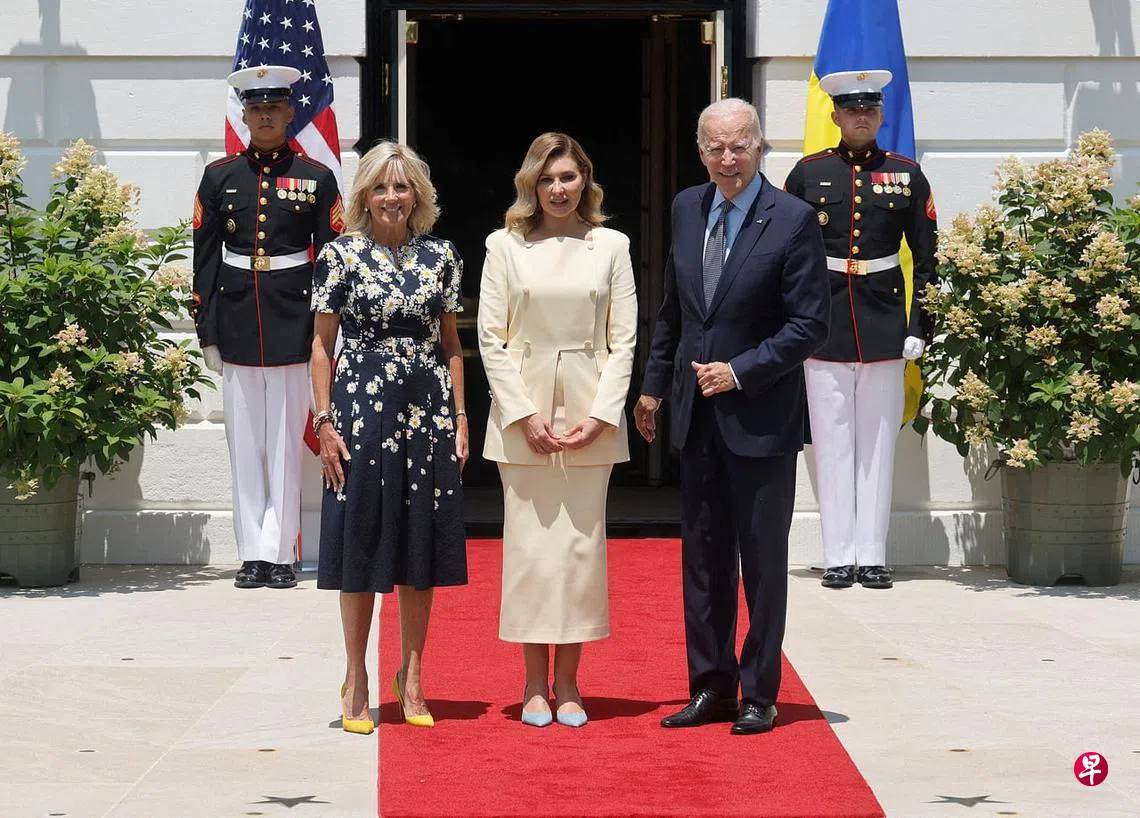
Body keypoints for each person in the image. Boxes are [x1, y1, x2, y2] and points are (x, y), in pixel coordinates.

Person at [635, 98, 829, 736]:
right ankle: (709, 686)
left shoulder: (793, 219)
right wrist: (653, 388)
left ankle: (759, 693)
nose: (728, 159)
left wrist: (740, 371)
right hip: (697, 418)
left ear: (760, 147)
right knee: (703, 562)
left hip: (762, 419)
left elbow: (809, 323)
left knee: (763, 564)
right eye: (716, 148)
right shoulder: (686, 208)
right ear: (700, 152)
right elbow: (676, 309)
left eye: (739, 146)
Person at [478, 133, 637, 728]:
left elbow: (624, 340)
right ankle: (531, 684)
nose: (558, 189)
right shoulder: (504, 245)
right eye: (546, 179)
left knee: (578, 552)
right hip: (523, 415)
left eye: (568, 176)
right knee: (531, 552)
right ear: (531, 185)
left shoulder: (612, 245)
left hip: (591, 417)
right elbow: (490, 338)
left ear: (585, 179)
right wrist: (522, 413)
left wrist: (602, 415)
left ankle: (569, 682)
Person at [311, 142, 468, 733]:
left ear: (417, 195)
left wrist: (460, 417)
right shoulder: (339, 256)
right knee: (360, 539)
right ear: (364, 195)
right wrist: (324, 422)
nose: (391, 197)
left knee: (418, 543)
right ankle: (356, 678)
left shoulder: (442, 256)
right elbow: (322, 346)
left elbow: (451, 344)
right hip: (360, 412)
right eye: (380, 186)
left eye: (401, 187)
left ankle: (414, 676)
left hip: (426, 411)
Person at [783, 70, 938, 591]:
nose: (862, 118)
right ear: (835, 116)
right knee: (830, 442)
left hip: (884, 322)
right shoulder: (809, 174)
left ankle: (872, 555)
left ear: (881, 115)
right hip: (823, 322)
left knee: (876, 443)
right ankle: (837, 555)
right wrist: (792, 322)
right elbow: (786, 256)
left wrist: (920, 325)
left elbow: (927, 258)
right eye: (852, 110)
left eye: (870, 109)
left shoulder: (906, 175)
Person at [192, 65, 343, 590]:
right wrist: (207, 329)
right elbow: (205, 258)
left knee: (282, 442)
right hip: (236, 318)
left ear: (289, 113)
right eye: (255, 108)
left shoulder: (316, 178)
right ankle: (251, 553)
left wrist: (327, 332)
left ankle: (280, 554)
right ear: (245, 115)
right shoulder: (219, 177)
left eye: (273, 108)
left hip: (293, 320)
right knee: (245, 442)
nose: (264, 116)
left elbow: (330, 260)